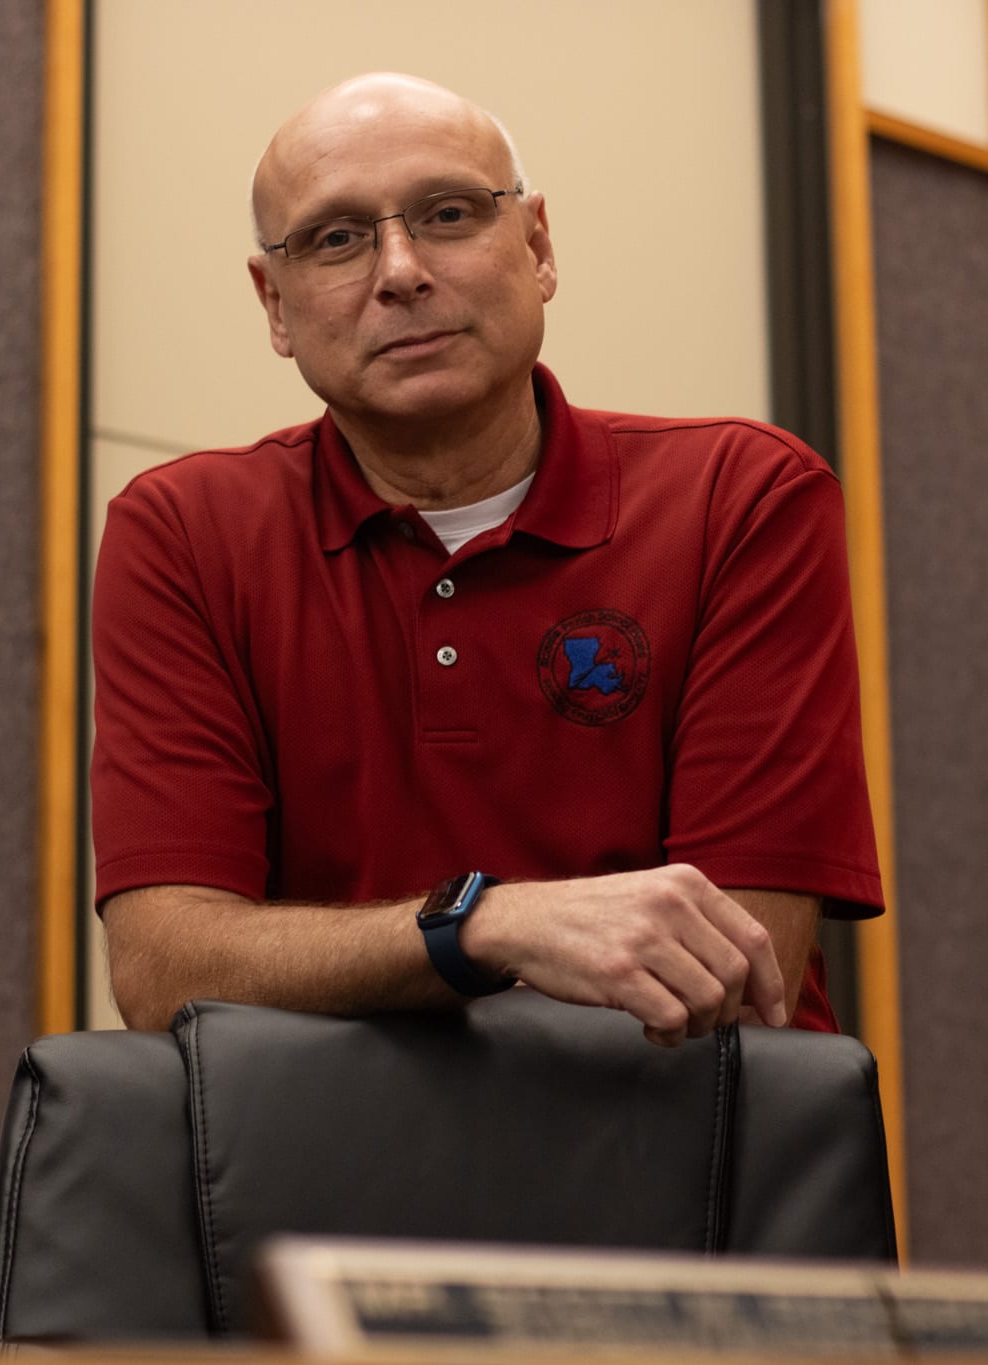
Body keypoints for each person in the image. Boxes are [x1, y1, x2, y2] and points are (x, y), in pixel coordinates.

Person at [90, 73, 881, 1048]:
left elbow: (731, 959)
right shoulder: (182, 535)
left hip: (689, 1160)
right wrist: (486, 925)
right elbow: (166, 970)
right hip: (323, 1176)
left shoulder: (741, 499)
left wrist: (369, 965)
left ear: (538, 246)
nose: (399, 270)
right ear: (275, 304)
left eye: (449, 213)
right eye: (335, 239)